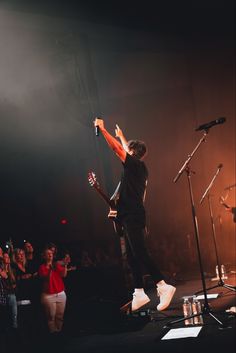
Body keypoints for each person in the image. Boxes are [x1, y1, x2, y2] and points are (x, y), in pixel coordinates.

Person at [94, 118, 176, 311]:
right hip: (129, 215)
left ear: (132, 154)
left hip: (133, 215)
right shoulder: (137, 167)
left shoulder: (135, 166)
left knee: (139, 252)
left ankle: (163, 286)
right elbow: (124, 148)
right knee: (131, 256)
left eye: (128, 150)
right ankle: (139, 292)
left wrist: (103, 130)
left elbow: (117, 150)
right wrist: (122, 136)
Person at [38, 248, 67, 334]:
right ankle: (53, 333)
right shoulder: (42, 267)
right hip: (48, 295)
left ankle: (59, 331)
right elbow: (46, 279)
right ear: (44, 256)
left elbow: (64, 275)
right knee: (51, 316)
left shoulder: (56, 265)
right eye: (48, 254)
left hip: (60, 293)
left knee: (60, 316)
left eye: (51, 253)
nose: (50, 255)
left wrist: (65, 265)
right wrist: (50, 269)